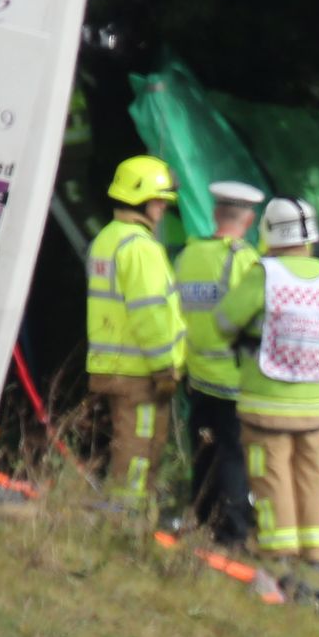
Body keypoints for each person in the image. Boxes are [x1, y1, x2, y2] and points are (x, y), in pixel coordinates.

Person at [212, 196, 319, 564]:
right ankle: (316, 550)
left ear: (269, 233)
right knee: (310, 472)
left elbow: (223, 322)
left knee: (270, 472)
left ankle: (279, 547)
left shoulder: (264, 274)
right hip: (315, 402)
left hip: (266, 400)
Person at [86, 155, 186, 507]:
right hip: (139, 372)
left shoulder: (106, 239)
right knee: (139, 448)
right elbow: (150, 314)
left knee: (124, 441)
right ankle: (125, 520)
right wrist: (164, 366)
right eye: (159, 200)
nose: (161, 208)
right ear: (142, 199)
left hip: (110, 364)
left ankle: (119, 513)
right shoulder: (141, 248)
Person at [172, 180, 264, 545]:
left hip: (195, 373)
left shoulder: (187, 255)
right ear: (250, 219)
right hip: (233, 377)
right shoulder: (245, 261)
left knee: (203, 452)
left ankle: (201, 517)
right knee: (233, 457)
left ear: (214, 214)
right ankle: (232, 533)